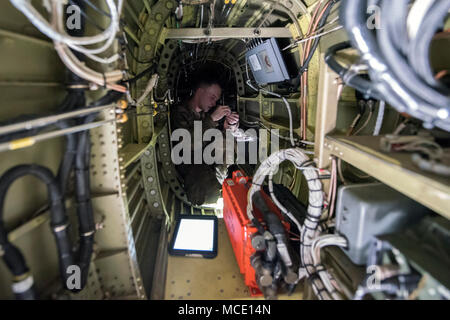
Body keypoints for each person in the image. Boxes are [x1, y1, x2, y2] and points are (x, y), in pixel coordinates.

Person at [171, 72, 239, 206]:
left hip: (207, 162)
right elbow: (185, 144)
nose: (214, 103)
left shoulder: (204, 115)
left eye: (216, 99)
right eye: (212, 97)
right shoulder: (179, 112)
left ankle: (229, 185)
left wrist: (227, 128)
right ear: (200, 92)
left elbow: (213, 141)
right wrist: (212, 119)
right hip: (192, 166)